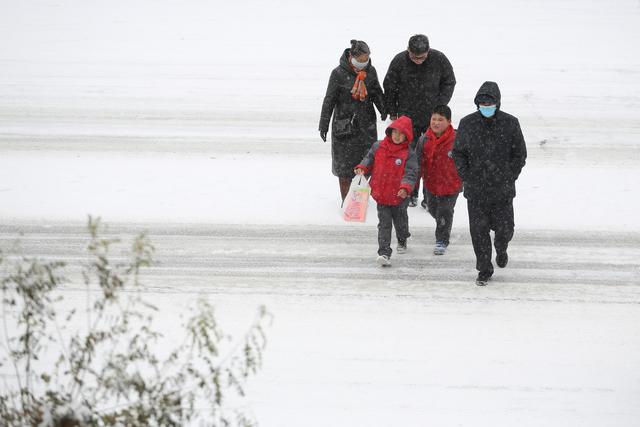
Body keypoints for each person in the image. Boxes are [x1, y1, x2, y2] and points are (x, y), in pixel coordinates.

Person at [451, 81, 527, 286]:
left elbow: (520, 154)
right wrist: (466, 175)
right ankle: (484, 268)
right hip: (476, 191)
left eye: (489, 103)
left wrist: (509, 175)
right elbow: (458, 153)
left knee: (505, 230)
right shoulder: (467, 123)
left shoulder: (510, 123)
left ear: (497, 103)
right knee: (478, 232)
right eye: (482, 103)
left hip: (502, 190)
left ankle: (501, 249)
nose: (486, 106)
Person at [383, 34, 456, 208]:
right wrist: (392, 112)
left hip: (433, 118)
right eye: (414, 57)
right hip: (407, 117)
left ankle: (428, 196)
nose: (417, 60)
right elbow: (389, 86)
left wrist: (440, 106)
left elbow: (450, 81)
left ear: (428, 51)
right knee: (410, 156)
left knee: (431, 157)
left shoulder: (439, 59)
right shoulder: (399, 61)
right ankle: (410, 192)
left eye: (422, 57)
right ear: (408, 50)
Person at [319, 39, 386, 204]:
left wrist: (384, 109)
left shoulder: (371, 72)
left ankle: (360, 199)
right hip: (344, 126)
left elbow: (377, 92)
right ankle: (346, 200)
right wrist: (324, 124)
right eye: (360, 60)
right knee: (344, 167)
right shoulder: (338, 73)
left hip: (366, 124)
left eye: (366, 60)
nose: (363, 64)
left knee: (367, 163)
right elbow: (329, 100)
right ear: (351, 56)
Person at [354, 116, 419, 267]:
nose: (397, 136)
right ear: (390, 132)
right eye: (394, 132)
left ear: (406, 136)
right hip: (381, 195)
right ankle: (384, 252)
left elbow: (410, 174)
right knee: (384, 225)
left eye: (401, 133)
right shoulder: (378, 147)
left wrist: (405, 188)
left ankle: (402, 238)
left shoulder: (409, 154)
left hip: (399, 197)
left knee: (400, 221)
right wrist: (362, 167)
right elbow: (368, 159)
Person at [414, 105, 462, 256]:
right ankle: (444, 224)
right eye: (433, 119)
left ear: (449, 121)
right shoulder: (424, 139)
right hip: (431, 184)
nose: (436, 123)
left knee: (445, 211)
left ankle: (441, 239)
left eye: (440, 120)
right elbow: (417, 162)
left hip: (451, 184)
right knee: (433, 209)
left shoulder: (458, 139)